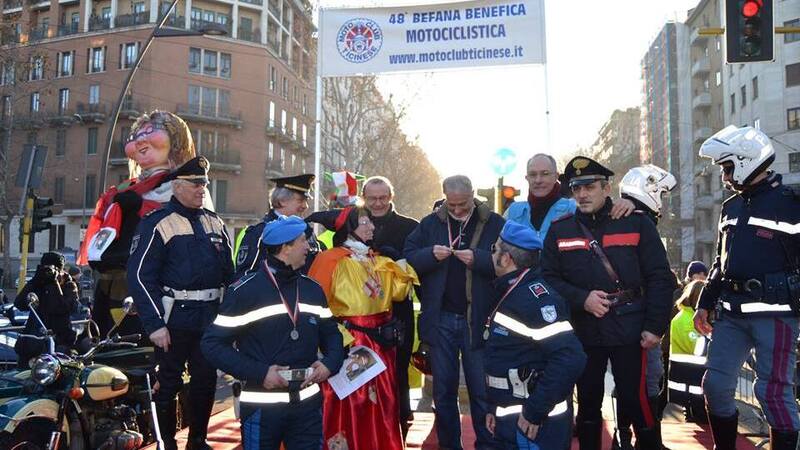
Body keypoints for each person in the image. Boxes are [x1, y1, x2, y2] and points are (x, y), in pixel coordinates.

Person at [541, 156, 674, 450]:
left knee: (635, 400)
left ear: (606, 187)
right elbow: (548, 278)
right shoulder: (560, 229)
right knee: (587, 403)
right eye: (576, 188)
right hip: (583, 329)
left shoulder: (636, 222)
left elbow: (660, 278)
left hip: (630, 328)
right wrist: (581, 299)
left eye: (589, 187)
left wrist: (655, 327)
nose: (582, 194)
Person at [693, 125, 800, 450]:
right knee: (715, 385)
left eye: (727, 167)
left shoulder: (791, 203)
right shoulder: (731, 207)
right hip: (732, 314)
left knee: (772, 393)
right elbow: (718, 264)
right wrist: (703, 302)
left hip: (777, 315)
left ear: (745, 160)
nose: (725, 177)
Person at [202, 215, 344, 449]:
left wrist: (329, 364)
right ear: (285, 248)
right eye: (302, 241)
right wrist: (260, 372)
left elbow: (332, 335)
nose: (309, 247)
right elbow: (212, 345)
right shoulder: (245, 292)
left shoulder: (312, 290)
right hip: (262, 408)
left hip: (307, 407)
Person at [127, 156, 234, 450]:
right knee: (168, 384)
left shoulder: (215, 221)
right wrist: (155, 324)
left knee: (205, 381)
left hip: (209, 318)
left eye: (205, 184)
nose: (202, 189)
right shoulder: (157, 222)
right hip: (173, 319)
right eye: (196, 183)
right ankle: (167, 444)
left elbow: (229, 275)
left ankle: (198, 440)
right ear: (177, 186)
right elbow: (139, 276)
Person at [404, 175, 505, 450]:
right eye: (452, 205)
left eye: (463, 204)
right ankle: (450, 445)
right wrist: (429, 255)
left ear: (474, 195)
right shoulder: (430, 223)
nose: (458, 210)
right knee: (443, 392)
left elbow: (509, 260)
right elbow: (409, 256)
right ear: (444, 197)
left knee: (482, 392)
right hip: (441, 320)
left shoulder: (494, 222)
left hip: (479, 319)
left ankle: (487, 444)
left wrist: (481, 260)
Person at [307, 206, 418, 450]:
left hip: (380, 344)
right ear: (349, 229)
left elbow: (400, 292)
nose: (371, 227)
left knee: (381, 403)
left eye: (370, 222)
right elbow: (314, 306)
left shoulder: (376, 259)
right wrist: (334, 342)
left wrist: (397, 260)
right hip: (349, 342)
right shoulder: (329, 260)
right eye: (364, 222)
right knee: (349, 403)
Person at [79, 110, 199, 337]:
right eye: (138, 134)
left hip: (151, 295)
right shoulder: (124, 189)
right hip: (113, 288)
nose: (141, 139)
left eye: (151, 131)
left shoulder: (182, 185)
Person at [484, 221, 586, 449]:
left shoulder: (536, 300)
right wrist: (493, 407)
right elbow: (506, 356)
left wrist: (535, 412)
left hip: (536, 426)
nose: (491, 254)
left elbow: (570, 358)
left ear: (506, 258)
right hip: (512, 420)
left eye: (494, 248)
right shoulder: (512, 292)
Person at [615, 163, 678, 449]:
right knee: (647, 381)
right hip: (638, 319)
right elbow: (658, 279)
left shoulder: (619, 219)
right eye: (660, 194)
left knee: (630, 381)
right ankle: (646, 440)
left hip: (620, 319)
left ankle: (627, 438)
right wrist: (654, 325)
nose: (661, 201)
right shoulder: (641, 224)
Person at [361, 176, 420, 436]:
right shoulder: (353, 224)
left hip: (398, 312)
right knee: (362, 371)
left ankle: (399, 421)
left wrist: (398, 261)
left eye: (382, 197)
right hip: (362, 313)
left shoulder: (410, 227)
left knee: (398, 369)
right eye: (372, 198)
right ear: (364, 197)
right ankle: (364, 424)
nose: (377, 203)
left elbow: (419, 272)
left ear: (391, 197)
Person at [504, 153, 635, 239]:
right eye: (533, 174)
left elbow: (603, 210)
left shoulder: (575, 208)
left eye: (545, 173)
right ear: (526, 178)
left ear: (556, 176)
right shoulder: (512, 212)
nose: (538, 180)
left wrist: (628, 203)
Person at [233, 174, 321, 278]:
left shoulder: (307, 231)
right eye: (300, 200)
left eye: (306, 201)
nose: (305, 206)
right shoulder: (260, 232)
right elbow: (244, 277)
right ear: (282, 201)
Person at [14, 252, 80, 368]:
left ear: (61, 269)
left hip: (59, 340)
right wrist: (35, 281)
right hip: (34, 341)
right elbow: (19, 304)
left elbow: (62, 308)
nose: (48, 272)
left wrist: (54, 283)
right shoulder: (38, 283)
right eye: (45, 268)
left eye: (53, 269)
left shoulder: (69, 285)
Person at [668, 280, 708, 424]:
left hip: (683, 370)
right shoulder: (690, 321)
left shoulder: (681, 316)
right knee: (698, 412)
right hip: (694, 370)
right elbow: (697, 349)